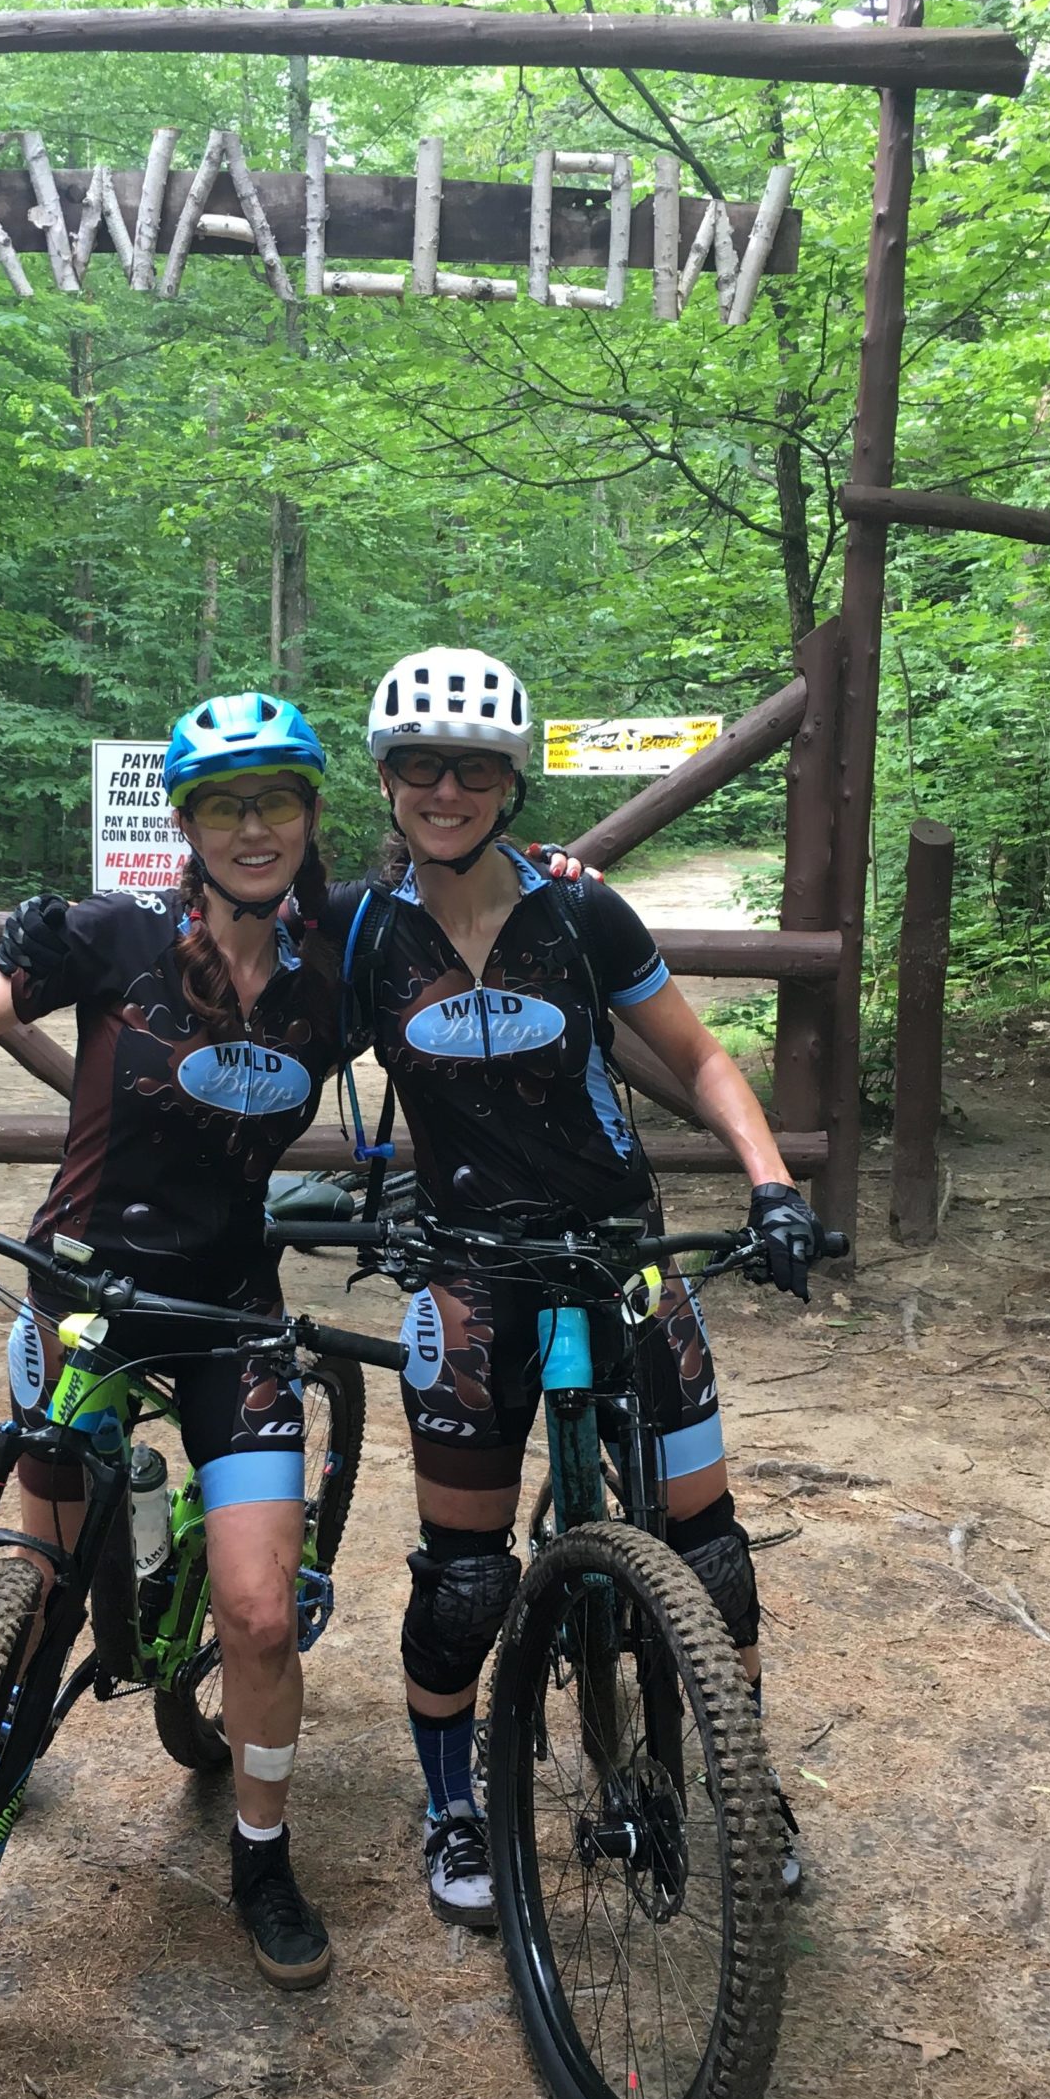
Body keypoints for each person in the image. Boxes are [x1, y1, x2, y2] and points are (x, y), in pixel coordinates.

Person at [0, 692, 344, 1990]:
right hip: (85, 1291)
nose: (253, 823)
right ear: (188, 824)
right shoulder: (114, 938)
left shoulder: (338, 975)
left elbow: (472, 953)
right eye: (225, 801)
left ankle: (261, 1855)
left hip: (231, 1316)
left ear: (311, 816)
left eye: (277, 797)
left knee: (263, 1619)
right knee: (26, 1570)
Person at [324, 646, 822, 1923]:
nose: (447, 788)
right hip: (470, 1270)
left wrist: (769, 1184)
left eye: (474, 766)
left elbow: (701, 1059)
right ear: (386, 781)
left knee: (709, 1557)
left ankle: (747, 1785)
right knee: (466, 1575)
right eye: (422, 766)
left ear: (511, 782)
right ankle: (451, 1803)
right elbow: (231, 989)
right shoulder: (360, 931)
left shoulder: (580, 911)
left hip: (623, 1253)